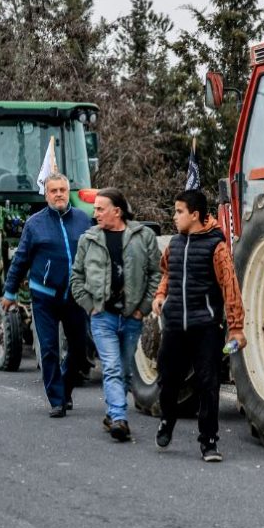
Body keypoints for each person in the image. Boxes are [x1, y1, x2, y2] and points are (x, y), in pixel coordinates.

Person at [151, 189, 245, 461]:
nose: (175, 216)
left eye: (179, 211)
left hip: (205, 328)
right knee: (167, 380)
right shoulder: (175, 244)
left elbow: (230, 288)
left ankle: (209, 441)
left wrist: (236, 328)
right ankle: (167, 420)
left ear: (195, 215)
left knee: (208, 384)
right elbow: (169, 272)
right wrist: (160, 295)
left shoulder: (217, 247)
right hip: (174, 327)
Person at [71, 188, 161, 441]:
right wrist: (90, 305)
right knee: (111, 367)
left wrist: (142, 308)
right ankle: (119, 418)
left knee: (124, 370)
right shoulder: (89, 239)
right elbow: (76, 276)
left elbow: (156, 273)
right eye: (95, 208)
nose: (95, 213)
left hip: (132, 317)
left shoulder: (143, 237)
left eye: (100, 208)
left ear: (117, 211)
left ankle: (113, 412)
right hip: (102, 317)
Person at [2, 173, 92, 418]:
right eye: (54, 190)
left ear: (68, 191)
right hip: (44, 296)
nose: (59, 194)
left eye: (63, 189)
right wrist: (9, 292)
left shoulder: (84, 220)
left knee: (79, 349)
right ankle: (57, 400)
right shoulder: (34, 224)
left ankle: (65, 387)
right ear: (46, 194)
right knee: (50, 348)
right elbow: (21, 259)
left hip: (75, 295)